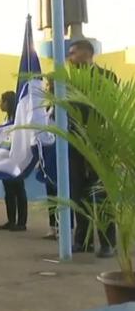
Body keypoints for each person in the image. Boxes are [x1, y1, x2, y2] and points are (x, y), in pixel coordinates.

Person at [67, 39, 117, 258]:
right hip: (76, 144)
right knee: (79, 194)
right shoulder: (68, 82)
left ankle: (108, 242)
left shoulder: (107, 78)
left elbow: (112, 110)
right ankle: (82, 240)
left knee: (102, 194)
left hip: (100, 144)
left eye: (73, 52)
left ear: (88, 53)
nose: (70, 57)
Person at [0, 91, 28, 232]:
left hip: (16, 159)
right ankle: (11, 220)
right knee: (9, 191)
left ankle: (21, 222)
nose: (0, 104)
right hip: (6, 158)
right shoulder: (7, 118)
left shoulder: (17, 119)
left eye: (2, 101)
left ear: (8, 102)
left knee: (18, 190)